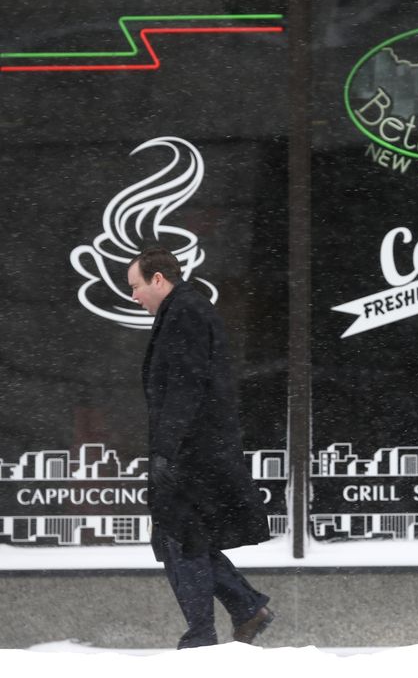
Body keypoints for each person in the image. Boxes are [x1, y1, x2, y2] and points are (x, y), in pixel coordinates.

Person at [127, 248, 274, 649]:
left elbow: (187, 384)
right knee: (182, 538)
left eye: (136, 286)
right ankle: (245, 608)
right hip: (193, 448)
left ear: (158, 279)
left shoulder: (186, 311)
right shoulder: (182, 310)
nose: (134, 296)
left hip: (192, 452)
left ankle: (203, 637)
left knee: (181, 538)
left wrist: (167, 451)